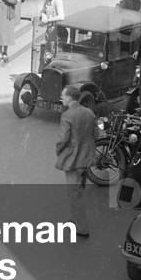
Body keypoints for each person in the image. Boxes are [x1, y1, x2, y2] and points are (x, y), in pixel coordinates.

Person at [54, 85, 98, 239]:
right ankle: (75, 219)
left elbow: (63, 139)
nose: (62, 99)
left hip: (73, 160)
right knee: (79, 190)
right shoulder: (90, 113)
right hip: (87, 159)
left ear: (70, 98)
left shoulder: (67, 115)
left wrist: (59, 151)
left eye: (63, 96)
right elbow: (96, 135)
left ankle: (82, 228)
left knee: (74, 194)